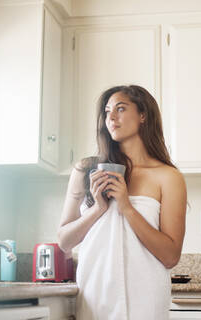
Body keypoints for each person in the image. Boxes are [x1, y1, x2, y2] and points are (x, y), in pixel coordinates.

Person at [57, 85, 187, 320]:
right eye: (107, 112)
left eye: (120, 109)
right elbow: (65, 241)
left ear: (143, 115)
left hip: (146, 301)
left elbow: (170, 256)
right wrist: (98, 208)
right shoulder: (85, 170)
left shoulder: (168, 177)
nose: (111, 118)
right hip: (95, 297)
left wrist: (126, 206)